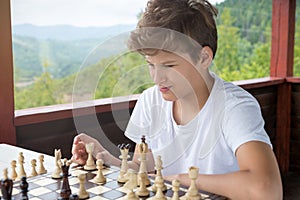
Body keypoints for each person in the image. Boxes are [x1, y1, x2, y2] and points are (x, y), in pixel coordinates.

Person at [71, 0, 283, 199]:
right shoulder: (149, 101)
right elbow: (142, 169)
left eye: (169, 65)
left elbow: (267, 189)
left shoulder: (235, 108)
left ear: (203, 58)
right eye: (151, 64)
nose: (157, 77)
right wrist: (106, 159)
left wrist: (182, 179)